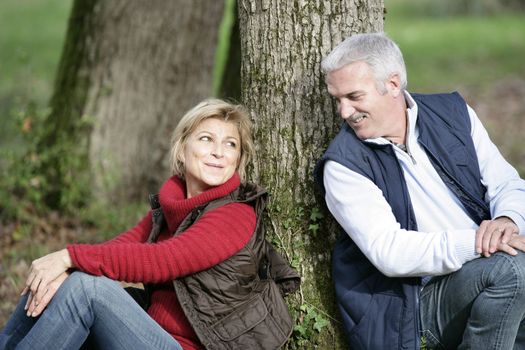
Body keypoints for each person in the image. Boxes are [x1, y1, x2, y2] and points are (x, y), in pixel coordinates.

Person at [1, 99, 299, 350]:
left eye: (230, 144)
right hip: (149, 333)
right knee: (58, 281)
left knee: (86, 288)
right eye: (206, 139)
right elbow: (124, 246)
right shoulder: (173, 207)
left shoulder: (235, 214)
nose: (218, 152)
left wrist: (68, 256)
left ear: (237, 158)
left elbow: (161, 260)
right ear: (182, 149)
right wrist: (63, 268)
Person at [314, 32, 525, 349]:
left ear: (394, 85)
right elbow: (390, 253)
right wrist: (481, 243)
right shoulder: (344, 165)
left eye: (354, 96)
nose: (344, 112)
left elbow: (506, 183)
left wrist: (508, 222)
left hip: (485, 267)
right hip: (412, 306)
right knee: (512, 268)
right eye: (337, 99)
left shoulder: (454, 114)